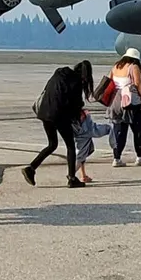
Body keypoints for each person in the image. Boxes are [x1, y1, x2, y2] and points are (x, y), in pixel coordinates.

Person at [23, 60, 95, 188]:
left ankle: (31, 168)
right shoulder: (76, 82)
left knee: (52, 144)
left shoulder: (59, 73)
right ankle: (72, 178)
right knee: (70, 146)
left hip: (45, 113)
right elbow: (75, 104)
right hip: (59, 115)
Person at [108, 48, 141, 168]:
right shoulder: (133, 67)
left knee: (119, 131)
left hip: (116, 101)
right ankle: (140, 157)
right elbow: (138, 84)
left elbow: (110, 81)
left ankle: (116, 158)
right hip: (130, 102)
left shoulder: (116, 66)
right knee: (138, 130)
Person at [73, 108, 112, 183]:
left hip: (76, 122)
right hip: (80, 123)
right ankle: (71, 175)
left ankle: (83, 175)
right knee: (81, 153)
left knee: (82, 152)